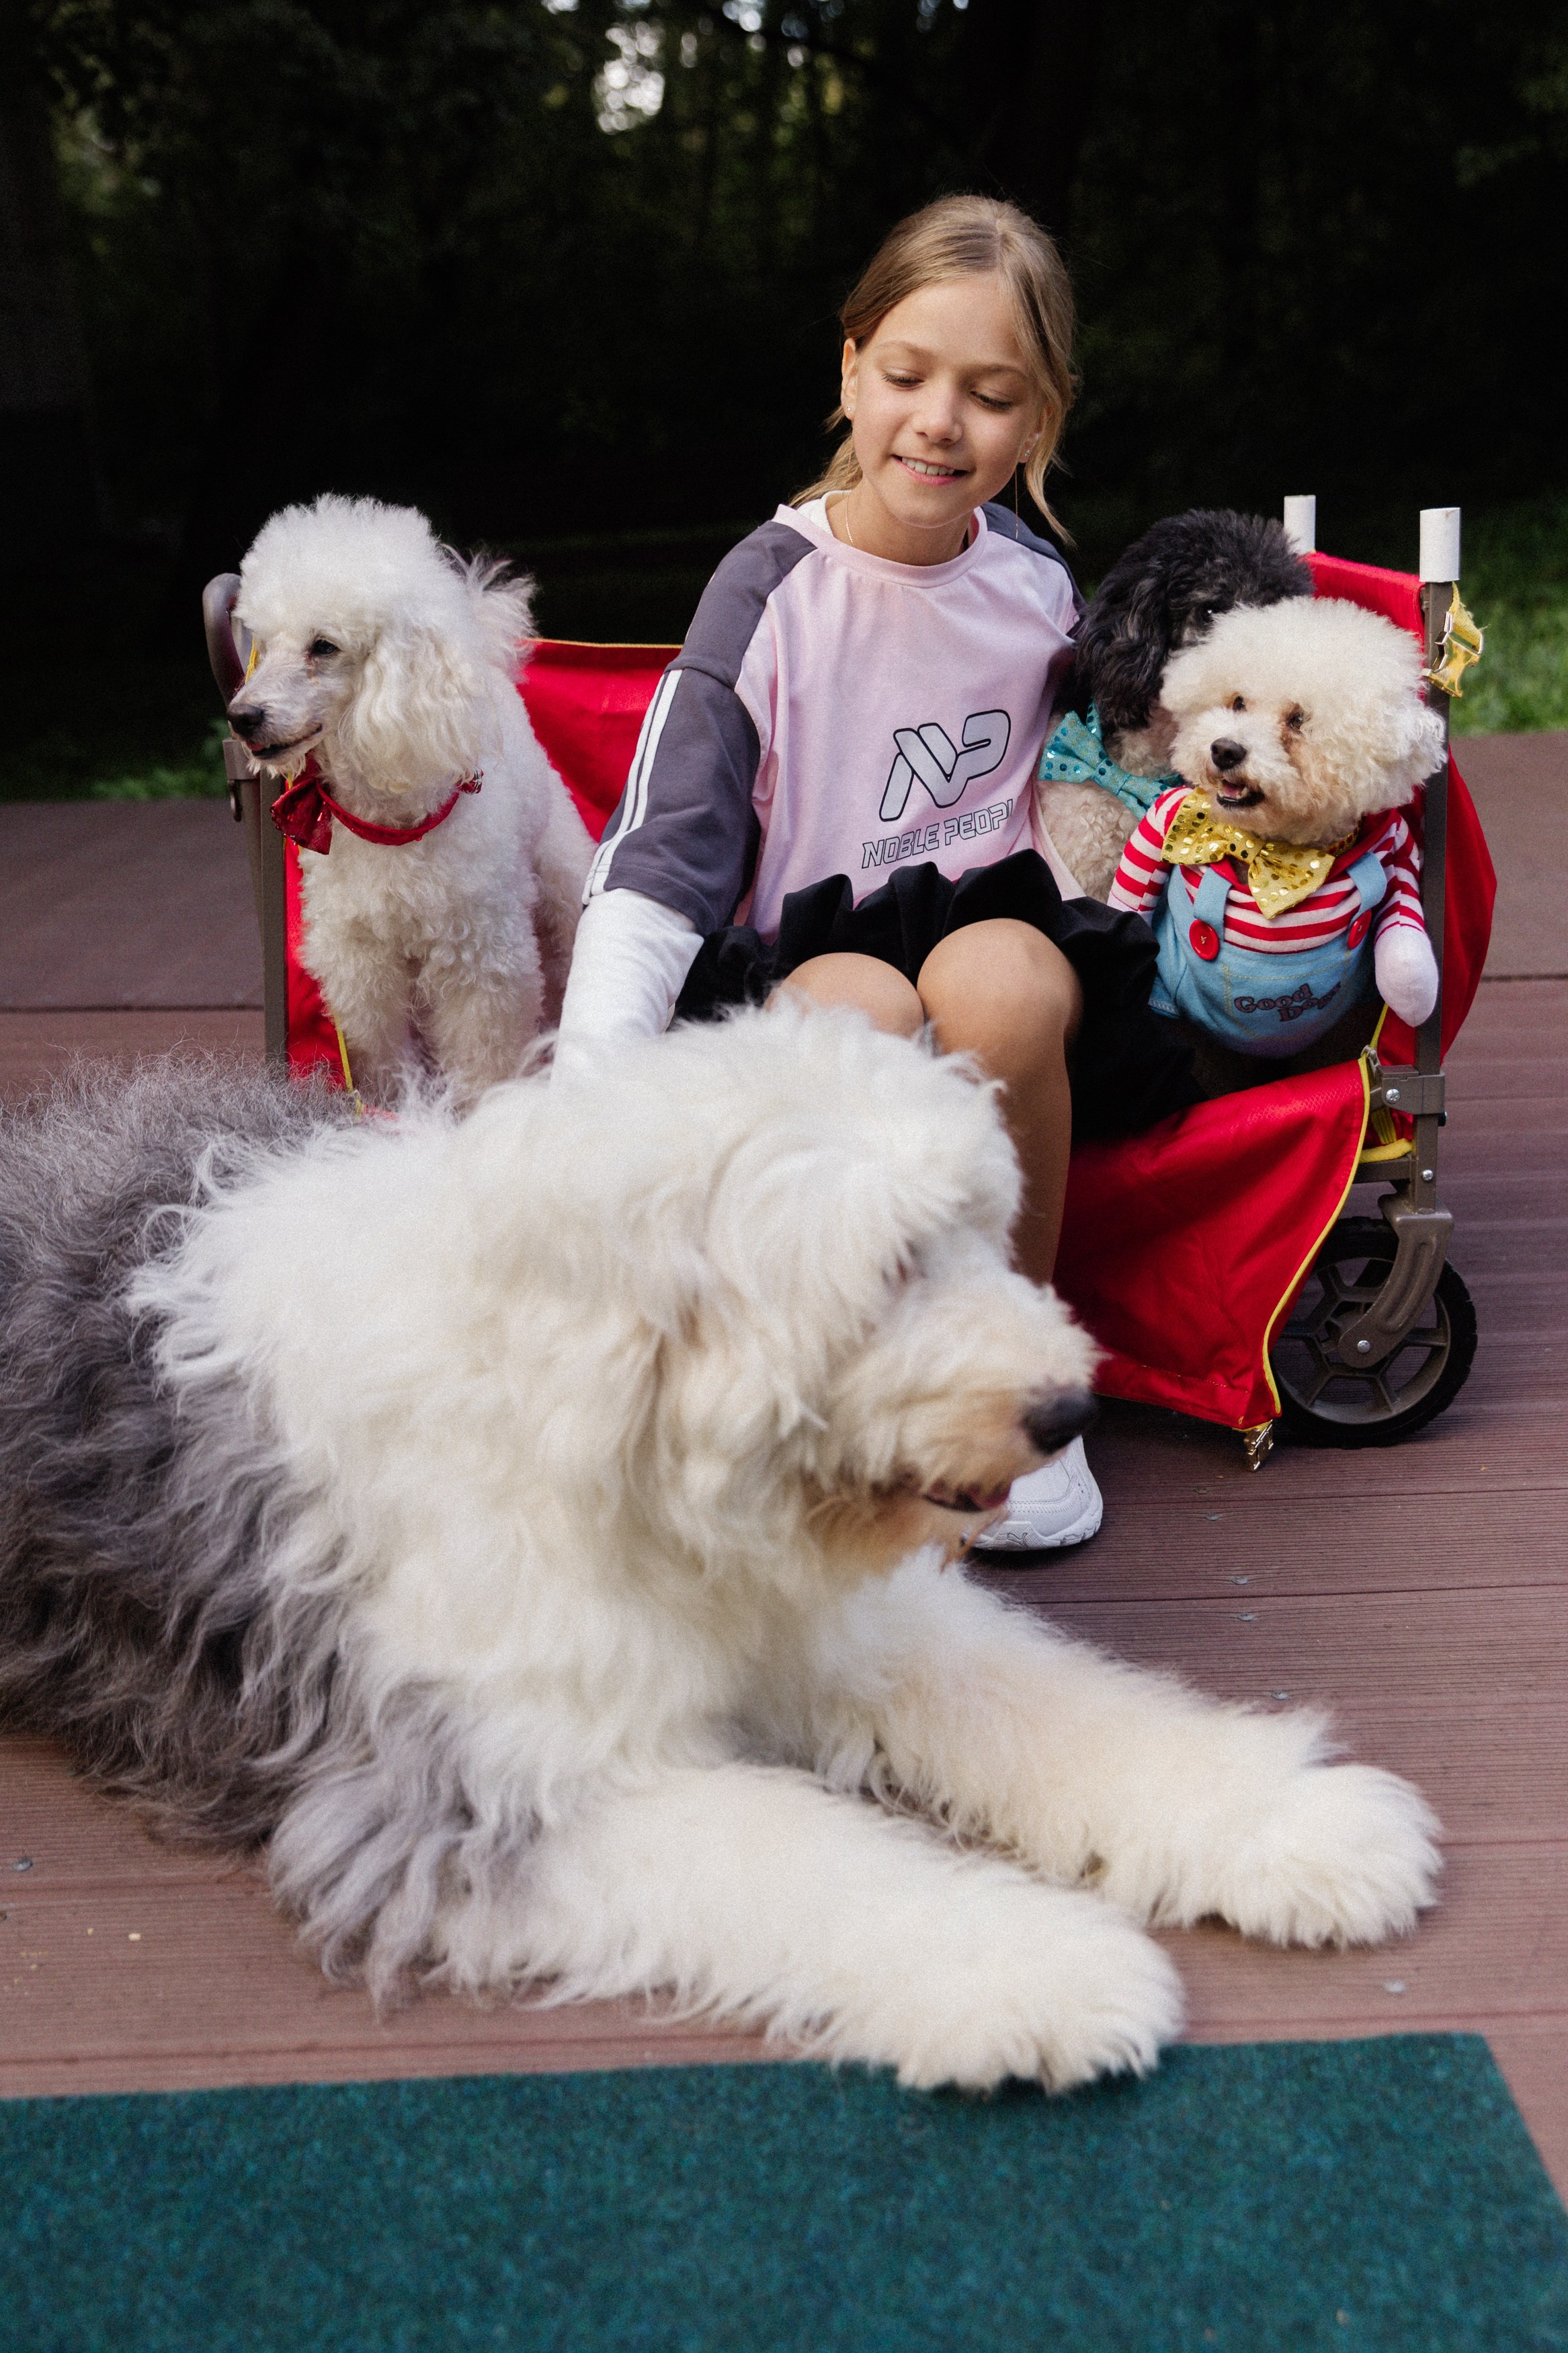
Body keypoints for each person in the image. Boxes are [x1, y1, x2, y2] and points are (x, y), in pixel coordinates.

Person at [556, 194, 1196, 1550]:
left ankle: (1028, 1401)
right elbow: (664, 852)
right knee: (865, 1016)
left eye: (991, 394)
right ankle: (867, 1408)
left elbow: (1116, 764)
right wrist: (588, 1110)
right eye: (906, 376)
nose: (939, 421)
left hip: (1005, 930)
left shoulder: (1032, 580)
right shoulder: (766, 589)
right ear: (848, 367)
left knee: (1005, 981)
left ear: (1042, 421)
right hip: (817, 948)